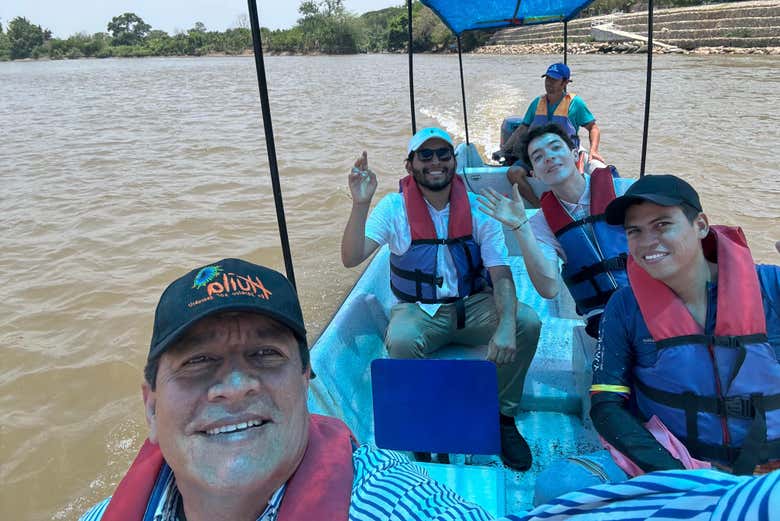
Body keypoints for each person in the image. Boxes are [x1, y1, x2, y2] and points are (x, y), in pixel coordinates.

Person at [79, 258, 501, 521]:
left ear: (305, 383)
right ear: (151, 409)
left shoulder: (394, 503)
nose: (236, 387)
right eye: (197, 361)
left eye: (264, 353)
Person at [532, 174, 780, 505]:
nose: (648, 241)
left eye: (662, 225)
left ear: (701, 225)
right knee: (556, 486)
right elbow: (607, 406)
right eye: (635, 231)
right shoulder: (625, 306)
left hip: (770, 465)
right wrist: (680, 474)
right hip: (675, 458)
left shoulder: (772, 287)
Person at [340, 127, 541, 470]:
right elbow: (351, 256)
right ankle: (421, 427)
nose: (436, 162)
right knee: (401, 341)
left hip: (474, 304)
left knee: (526, 322)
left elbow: (501, 275)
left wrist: (505, 324)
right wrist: (360, 204)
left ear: (454, 161)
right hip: (418, 310)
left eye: (443, 154)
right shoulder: (393, 208)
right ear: (410, 165)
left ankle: (503, 418)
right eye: (426, 155)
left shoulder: (478, 208)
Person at [479, 123, 634, 339]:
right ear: (535, 174)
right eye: (538, 156)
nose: (549, 157)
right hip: (604, 319)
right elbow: (548, 288)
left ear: (575, 155)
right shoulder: (541, 223)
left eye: (555, 148)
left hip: (650, 300)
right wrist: (520, 227)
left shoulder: (625, 191)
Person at [494, 63, 604, 206]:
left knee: (567, 177)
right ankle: (539, 206)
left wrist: (594, 151)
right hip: (539, 153)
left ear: (565, 83)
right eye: (547, 79)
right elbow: (522, 129)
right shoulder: (537, 102)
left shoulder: (575, 104)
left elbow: (593, 128)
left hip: (564, 153)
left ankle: (571, 205)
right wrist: (504, 149)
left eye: (554, 80)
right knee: (513, 173)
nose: (549, 83)